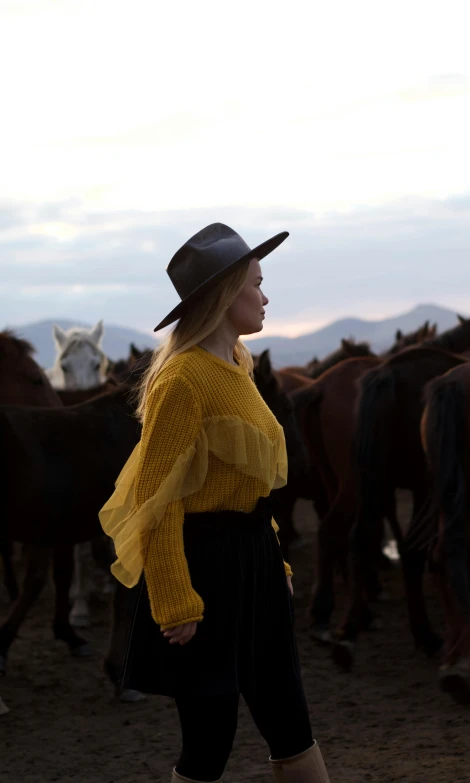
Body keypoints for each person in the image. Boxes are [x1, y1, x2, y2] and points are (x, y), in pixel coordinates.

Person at [100, 223, 330, 782]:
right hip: (206, 571)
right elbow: (158, 497)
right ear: (227, 294)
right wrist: (175, 599)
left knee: (289, 718)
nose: (266, 296)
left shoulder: (239, 366)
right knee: (211, 735)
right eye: (257, 283)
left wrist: (273, 563)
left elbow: (248, 493)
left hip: (255, 565)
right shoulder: (182, 379)